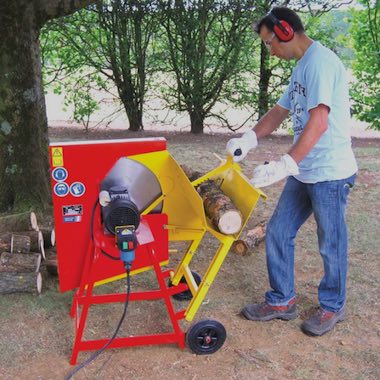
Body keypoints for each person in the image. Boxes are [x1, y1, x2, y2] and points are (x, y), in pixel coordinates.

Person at [226, 6, 357, 336]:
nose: (269, 51)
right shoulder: (301, 68)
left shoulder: (321, 64)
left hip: (330, 172)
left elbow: (320, 121)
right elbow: (279, 111)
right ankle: (282, 300)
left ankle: (331, 307)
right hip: (305, 171)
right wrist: (249, 138)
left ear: (285, 32)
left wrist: (286, 163)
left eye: (269, 43)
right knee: (279, 230)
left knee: (331, 242)